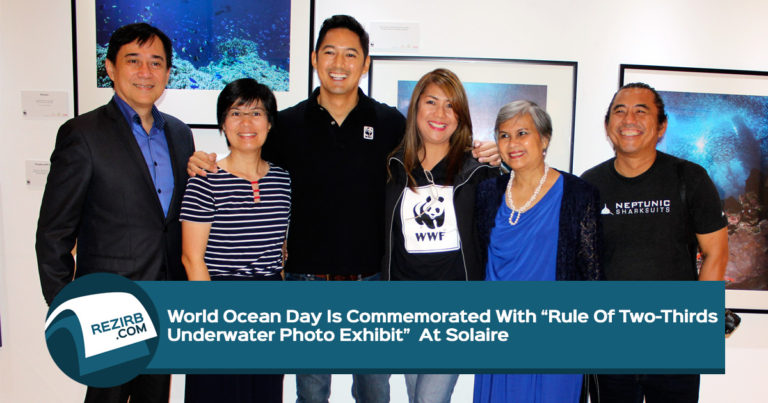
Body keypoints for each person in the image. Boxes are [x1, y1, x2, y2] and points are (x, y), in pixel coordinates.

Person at [186, 15, 499, 403]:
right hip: (305, 283)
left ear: (365, 63)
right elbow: (246, 155)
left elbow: (434, 146)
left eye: (351, 54)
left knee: (374, 393)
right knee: (312, 394)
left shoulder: (388, 123)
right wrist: (202, 159)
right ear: (314, 58)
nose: (339, 63)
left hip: (371, 284)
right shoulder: (286, 125)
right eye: (330, 53)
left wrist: (481, 151)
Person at [35, 23, 195, 402]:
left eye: (156, 62)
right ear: (110, 67)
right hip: (107, 310)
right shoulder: (83, 133)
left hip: (165, 301)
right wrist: (67, 308)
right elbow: (53, 234)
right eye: (133, 61)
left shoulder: (179, 134)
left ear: (167, 72)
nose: (145, 72)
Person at [581, 82, 728, 402]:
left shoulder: (689, 178)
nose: (628, 119)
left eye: (641, 111)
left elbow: (715, 253)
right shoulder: (588, 185)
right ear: (607, 125)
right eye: (619, 111)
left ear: (661, 126)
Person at [473, 100, 603, 403]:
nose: (512, 143)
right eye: (504, 135)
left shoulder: (578, 193)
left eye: (522, 133)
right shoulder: (488, 192)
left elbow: (592, 271)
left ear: (544, 139)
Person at [382, 68, 497, 402]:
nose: (440, 113)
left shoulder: (477, 169)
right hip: (403, 307)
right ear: (416, 107)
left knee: (427, 399)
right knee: (416, 395)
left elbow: (516, 209)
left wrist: (504, 160)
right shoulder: (393, 167)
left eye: (450, 106)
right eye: (431, 102)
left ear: (460, 117)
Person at [180, 78, 289, 402]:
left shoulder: (282, 179)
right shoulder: (205, 180)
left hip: (270, 305)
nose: (246, 123)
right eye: (235, 113)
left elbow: (279, 249)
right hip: (220, 301)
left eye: (256, 113)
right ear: (223, 124)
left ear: (269, 123)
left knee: (264, 393)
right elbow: (192, 259)